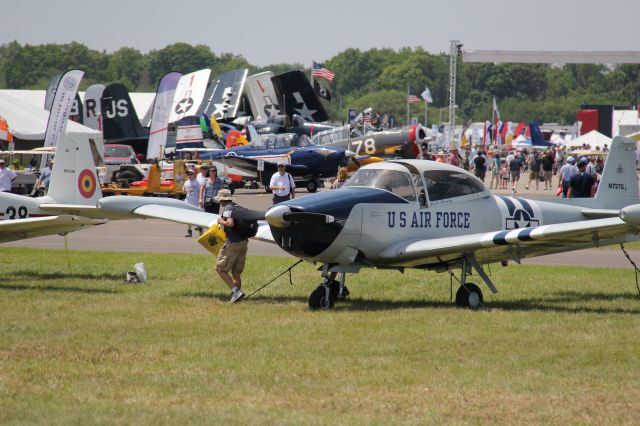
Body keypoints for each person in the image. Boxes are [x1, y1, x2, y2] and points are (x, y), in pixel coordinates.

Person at [215, 189, 248, 303]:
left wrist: (220, 221)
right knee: (236, 272)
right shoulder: (237, 206)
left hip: (233, 242)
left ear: (222, 200)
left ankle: (236, 292)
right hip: (243, 242)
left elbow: (230, 223)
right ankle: (237, 297)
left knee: (220, 269)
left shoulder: (228, 208)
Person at [182, 169, 201, 237]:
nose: (189, 176)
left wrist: (200, 200)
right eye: (188, 174)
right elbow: (183, 191)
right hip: (188, 202)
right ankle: (189, 231)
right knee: (188, 217)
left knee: (197, 217)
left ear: (194, 174)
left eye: (190, 174)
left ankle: (200, 230)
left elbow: (200, 192)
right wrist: (184, 191)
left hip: (195, 202)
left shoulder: (197, 182)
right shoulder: (186, 182)